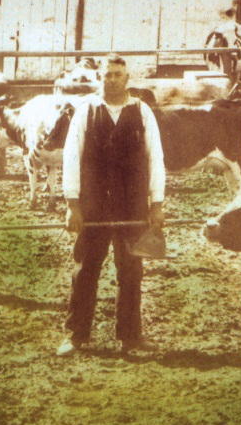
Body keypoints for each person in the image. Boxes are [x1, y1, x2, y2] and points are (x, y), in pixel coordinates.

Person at [61, 59, 168, 355]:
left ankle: (131, 337)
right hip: (93, 206)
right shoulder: (86, 110)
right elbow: (71, 158)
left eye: (118, 75)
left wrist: (156, 204)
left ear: (127, 77)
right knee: (84, 270)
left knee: (132, 271)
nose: (112, 80)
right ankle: (76, 336)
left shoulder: (142, 111)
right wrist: (72, 204)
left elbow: (155, 159)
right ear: (100, 77)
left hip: (132, 207)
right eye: (107, 75)